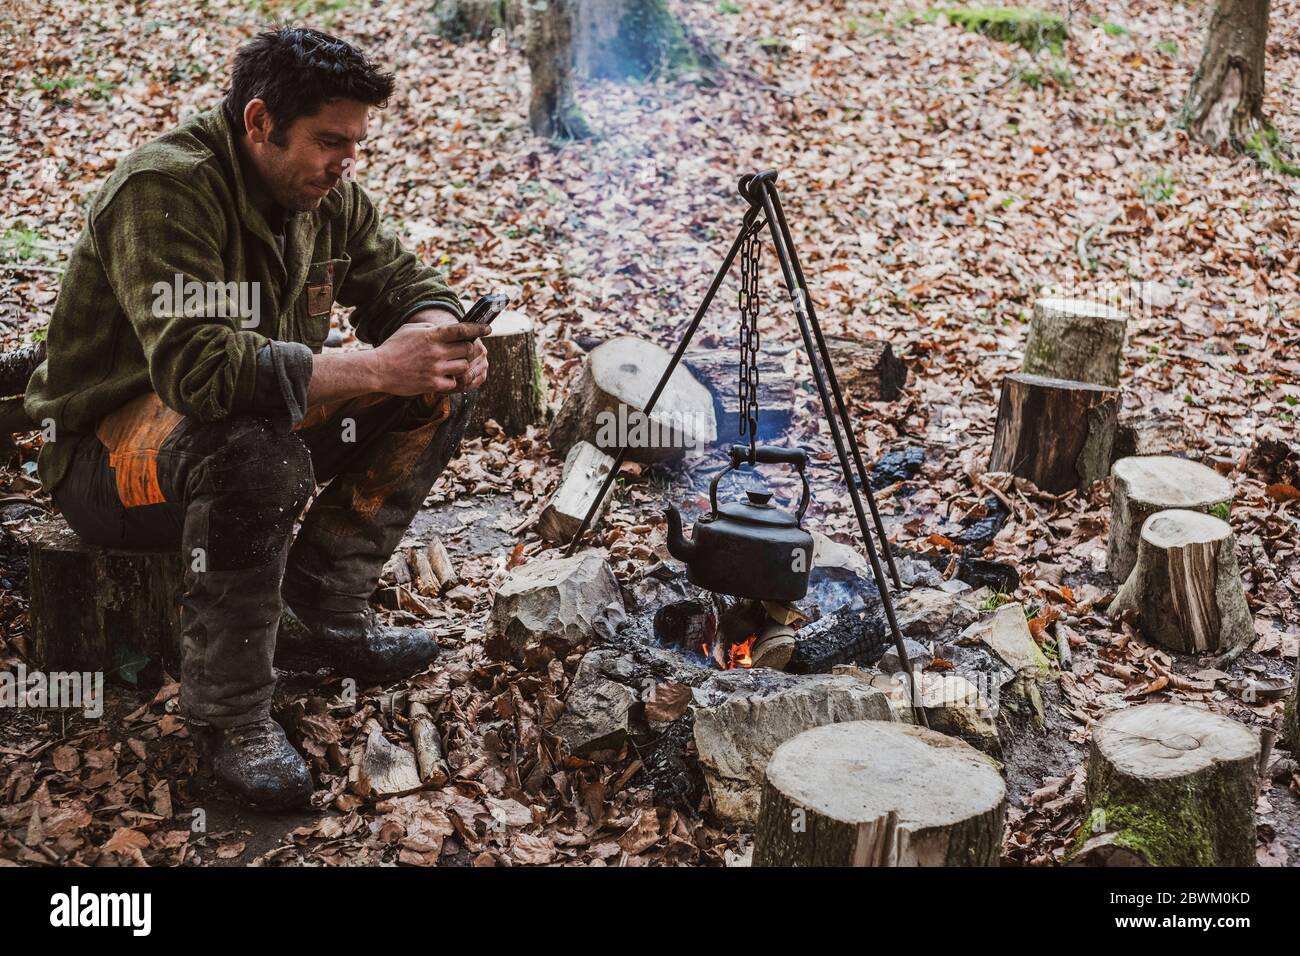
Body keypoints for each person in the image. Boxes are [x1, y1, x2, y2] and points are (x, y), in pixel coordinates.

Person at [23, 27, 488, 808]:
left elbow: (405, 281)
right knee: (254, 454)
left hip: (239, 424)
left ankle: (323, 608)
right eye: (329, 141)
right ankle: (230, 714)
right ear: (260, 122)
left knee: (435, 384)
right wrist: (375, 364)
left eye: (356, 144)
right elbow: (202, 373)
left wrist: (440, 334)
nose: (346, 163)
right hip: (104, 461)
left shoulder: (325, 195)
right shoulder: (164, 189)